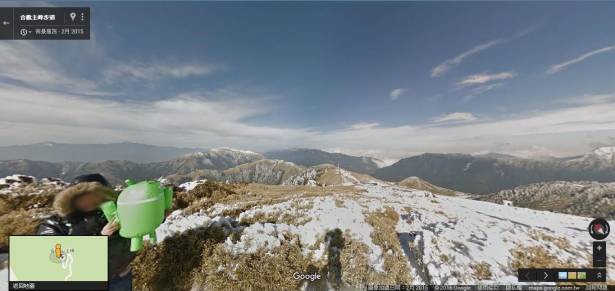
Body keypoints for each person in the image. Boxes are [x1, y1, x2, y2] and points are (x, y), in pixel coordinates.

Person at [37, 173, 135, 291]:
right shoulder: (56, 223)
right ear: (71, 198)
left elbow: (141, 221)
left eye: (96, 194)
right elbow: (52, 255)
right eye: (84, 195)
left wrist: (159, 214)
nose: (90, 199)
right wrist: (99, 238)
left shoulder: (116, 213)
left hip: (119, 279)